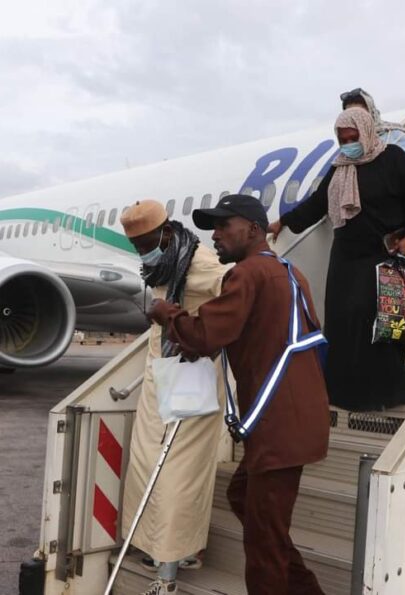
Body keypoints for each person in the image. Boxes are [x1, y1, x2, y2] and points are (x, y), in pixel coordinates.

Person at [149, 194, 330, 595]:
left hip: (279, 427)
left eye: (223, 226)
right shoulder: (288, 272)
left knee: (264, 546)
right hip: (294, 420)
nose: (214, 235)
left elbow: (205, 333)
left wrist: (166, 313)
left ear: (253, 229)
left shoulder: (246, 275)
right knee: (245, 499)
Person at [268, 108, 405, 411]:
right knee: (342, 322)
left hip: (386, 255)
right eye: (342, 139)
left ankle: (388, 392)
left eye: (352, 137)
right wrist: (284, 222)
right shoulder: (340, 168)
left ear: (366, 131)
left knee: (384, 325)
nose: (348, 144)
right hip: (346, 257)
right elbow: (317, 204)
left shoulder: (393, 159)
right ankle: (344, 394)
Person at [120, 199, 227, 595]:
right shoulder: (166, 262)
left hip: (190, 374)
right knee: (147, 462)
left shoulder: (200, 262)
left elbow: (236, 297)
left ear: (166, 232)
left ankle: (172, 564)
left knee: (178, 469)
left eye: (146, 243)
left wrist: (201, 335)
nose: (142, 252)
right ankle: (157, 547)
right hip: (160, 372)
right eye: (136, 246)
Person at [341, 87, 405, 184]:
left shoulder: (395, 137)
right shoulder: (349, 148)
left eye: (359, 114)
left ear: (371, 112)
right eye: (349, 116)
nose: (355, 120)